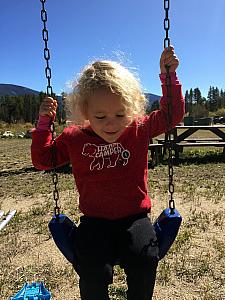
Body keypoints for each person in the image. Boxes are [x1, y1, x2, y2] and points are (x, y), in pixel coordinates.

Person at [31, 45, 185, 300]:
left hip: (134, 217)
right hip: (94, 220)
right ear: (85, 112)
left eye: (120, 114)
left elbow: (172, 114)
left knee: (146, 260)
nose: (111, 123)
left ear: (133, 108)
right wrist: (44, 123)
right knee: (91, 270)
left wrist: (169, 78)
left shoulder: (138, 129)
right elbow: (43, 159)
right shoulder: (75, 137)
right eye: (100, 116)